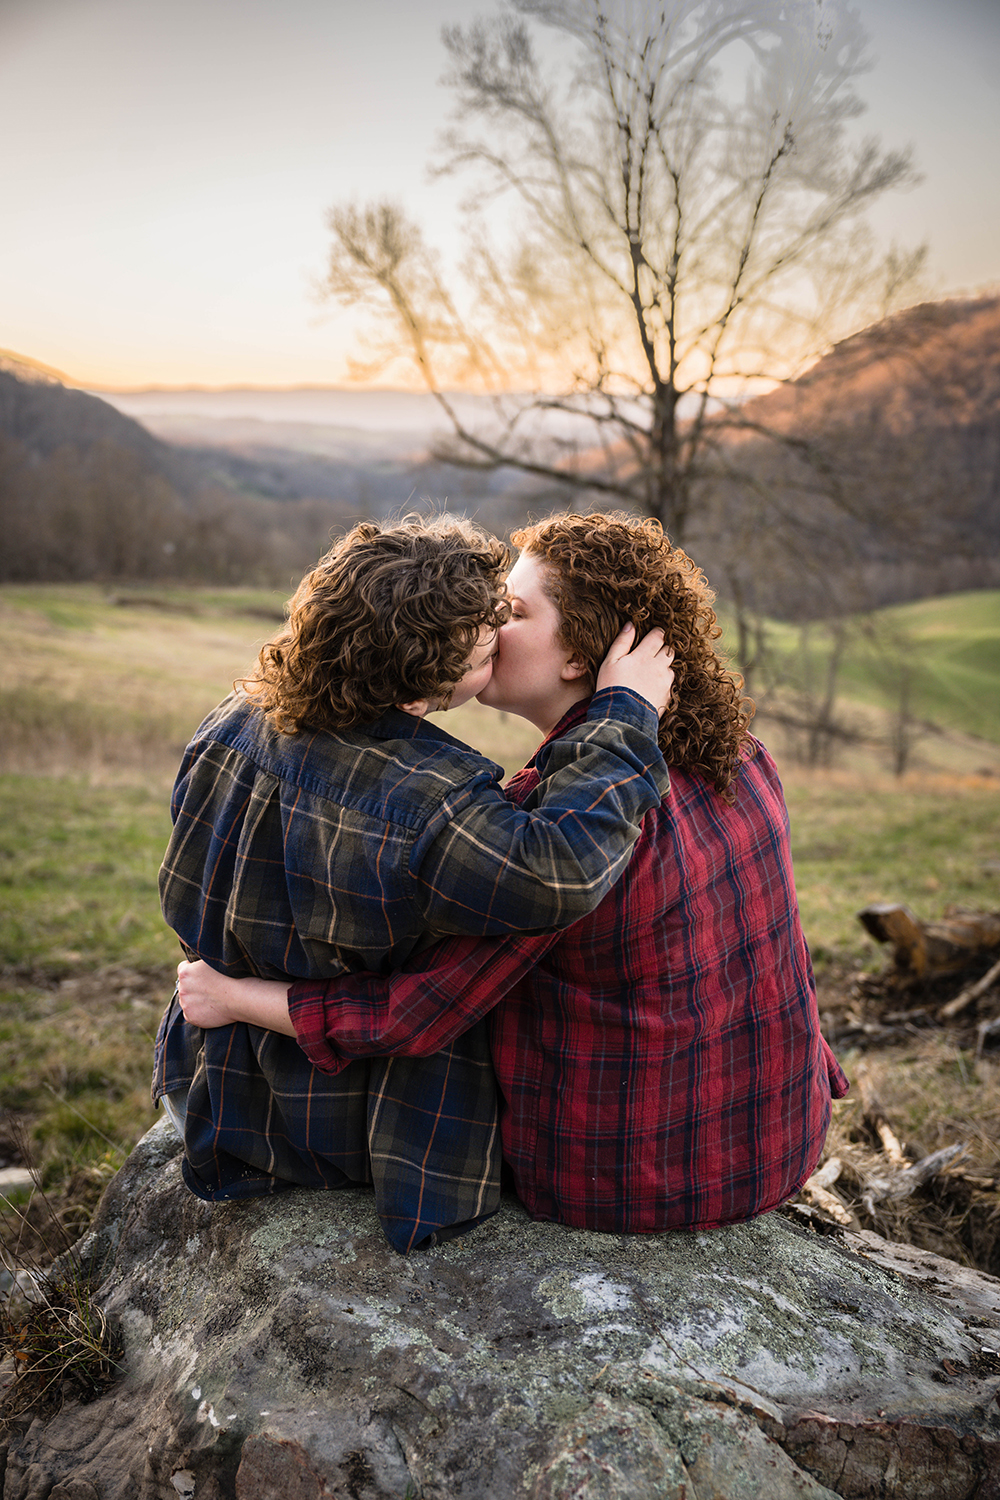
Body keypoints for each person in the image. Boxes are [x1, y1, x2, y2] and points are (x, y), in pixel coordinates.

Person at [178, 512, 848, 1237]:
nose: (489, 620)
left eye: (516, 610)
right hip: (779, 1141)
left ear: (578, 657)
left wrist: (239, 996)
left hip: (628, 1178)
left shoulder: (560, 827)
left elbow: (415, 1013)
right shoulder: (742, 754)